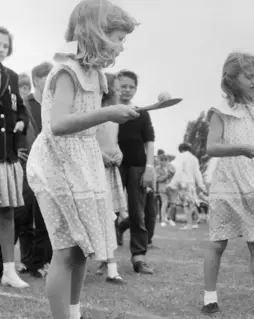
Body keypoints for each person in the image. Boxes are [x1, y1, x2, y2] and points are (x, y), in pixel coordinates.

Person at [25, 1, 139, 318]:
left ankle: (74, 313)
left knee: (82, 249)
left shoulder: (97, 76)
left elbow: (88, 125)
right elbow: (59, 125)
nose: (120, 47)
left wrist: (107, 140)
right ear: (94, 34)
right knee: (65, 249)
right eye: (117, 38)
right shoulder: (66, 72)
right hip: (57, 168)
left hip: (83, 165)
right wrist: (108, 112)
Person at [202, 52, 254, 318]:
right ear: (231, 79)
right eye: (247, 76)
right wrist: (240, 149)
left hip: (253, 183)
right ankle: (209, 298)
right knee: (218, 243)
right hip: (227, 184)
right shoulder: (221, 112)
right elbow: (212, 147)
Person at [115, 70, 164, 273]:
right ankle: (105, 259)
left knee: (138, 213)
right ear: (116, 86)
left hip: (137, 166)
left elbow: (150, 141)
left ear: (135, 89)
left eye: (131, 87)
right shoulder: (109, 110)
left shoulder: (142, 112)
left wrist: (149, 168)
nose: (127, 90)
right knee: (109, 212)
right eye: (123, 86)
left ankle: (139, 257)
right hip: (113, 165)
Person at [13, 62, 54, 278]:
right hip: (26, 166)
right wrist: (15, 150)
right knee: (21, 215)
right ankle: (12, 261)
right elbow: (16, 128)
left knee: (45, 216)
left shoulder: (54, 103)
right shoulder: (25, 103)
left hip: (48, 167)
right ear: (37, 79)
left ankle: (37, 262)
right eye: (48, 76)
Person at [0, 26, 30, 288]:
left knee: (7, 212)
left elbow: (21, 111)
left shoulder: (11, 76)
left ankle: (8, 271)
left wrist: (20, 124)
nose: (1, 49)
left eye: (5, 46)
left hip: (4, 154)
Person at [94, 73, 127, 284]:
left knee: (109, 218)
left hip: (110, 170)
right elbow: (88, 140)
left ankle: (111, 267)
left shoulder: (115, 117)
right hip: (95, 169)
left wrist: (118, 153)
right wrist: (101, 155)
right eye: (115, 88)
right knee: (99, 218)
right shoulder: (96, 113)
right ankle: (105, 263)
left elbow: (113, 142)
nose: (119, 92)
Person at [167, 142, 206, 230]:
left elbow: (178, 171)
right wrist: (201, 185)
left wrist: (172, 184)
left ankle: (189, 225)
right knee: (192, 203)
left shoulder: (181, 157)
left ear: (180, 150)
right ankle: (194, 222)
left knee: (186, 205)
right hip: (191, 183)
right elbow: (197, 173)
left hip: (183, 183)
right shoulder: (194, 158)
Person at [155, 151, 176, 227]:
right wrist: (166, 176)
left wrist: (171, 174)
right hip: (163, 188)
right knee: (164, 203)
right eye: (161, 160)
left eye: (164, 160)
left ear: (166, 160)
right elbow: (158, 179)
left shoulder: (171, 166)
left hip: (172, 187)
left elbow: (175, 175)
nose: (163, 162)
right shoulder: (157, 168)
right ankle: (163, 220)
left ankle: (169, 218)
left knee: (173, 204)